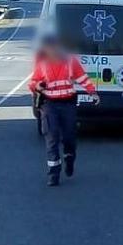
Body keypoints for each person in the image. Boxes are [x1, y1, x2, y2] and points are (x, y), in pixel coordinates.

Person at [29, 35, 98, 187]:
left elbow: (82, 78)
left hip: (67, 103)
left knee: (69, 137)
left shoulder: (70, 61)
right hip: (49, 104)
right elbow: (33, 82)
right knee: (52, 137)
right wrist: (38, 86)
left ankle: (69, 157)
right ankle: (53, 174)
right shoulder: (43, 63)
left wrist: (92, 93)